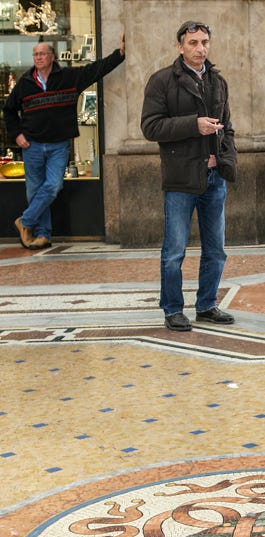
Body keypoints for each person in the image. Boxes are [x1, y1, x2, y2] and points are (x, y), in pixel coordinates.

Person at [141, 22, 237, 332]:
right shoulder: (162, 81)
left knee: (216, 250)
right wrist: (193, 125)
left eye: (205, 42)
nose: (200, 48)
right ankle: (172, 309)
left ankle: (207, 306)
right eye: (193, 42)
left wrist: (227, 159)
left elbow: (228, 127)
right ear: (180, 46)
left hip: (213, 179)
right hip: (181, 181)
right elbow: (151, 127)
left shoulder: (218, 81)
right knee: (174, 251)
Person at [3, 36, 125, 250]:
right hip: (31, 146)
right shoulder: (25, 82)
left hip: (58, 145)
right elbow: (9, 110)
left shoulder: (68, 77)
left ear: (52, 57)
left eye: (42, 54)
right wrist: (17, 134)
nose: (38, 58)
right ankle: (42, 234)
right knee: (34, 191)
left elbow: (96, 69)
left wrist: (120, 54)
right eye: (35, 54)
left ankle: (25, 221)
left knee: (52, 186)